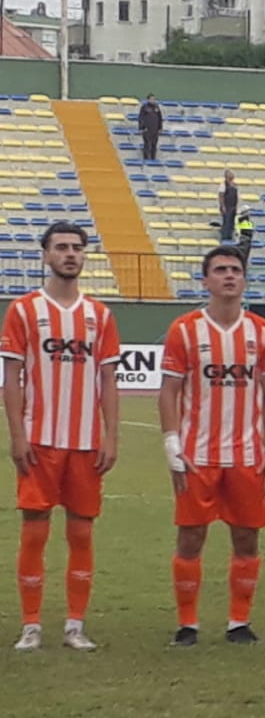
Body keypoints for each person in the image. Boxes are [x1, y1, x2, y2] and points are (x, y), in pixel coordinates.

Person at [2, 222, 120, 652]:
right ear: (46, 254)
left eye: (77, 248)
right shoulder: (23, 310)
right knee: (34, 530)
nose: (71, 254)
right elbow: (12, 378)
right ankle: (31, 624)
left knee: (81, 533)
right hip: (40, 440)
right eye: (62, 247)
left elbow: (107, 380)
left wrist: (111, 436)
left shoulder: (100, 315)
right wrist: (18, 435)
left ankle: (75, 625)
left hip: (85, 442)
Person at [160, 246, 265, 645]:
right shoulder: (184, 330)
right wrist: (171, 443)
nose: (229, 276)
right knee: (190, 537)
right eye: (220, 270)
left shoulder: (264, 333)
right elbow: (169, 391)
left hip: (246, 455)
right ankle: (187, 624)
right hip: (197, 456)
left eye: (235, 270)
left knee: (247, 537)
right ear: (205, 280)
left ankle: (238, 622)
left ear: (244, 279)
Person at [138, 95, 164, 162]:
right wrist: (141, 128)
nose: (153, 100)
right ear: (148, 100)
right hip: (147, 130)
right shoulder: (144, 107)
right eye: (151, 99)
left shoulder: (157, 107)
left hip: (155, 130)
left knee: (154, 145)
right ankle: (146, 160)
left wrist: (160, 128)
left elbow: (160, 118)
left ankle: (153, 159)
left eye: (154, 99)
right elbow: (141, 118)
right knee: (147, 145)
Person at [217, 171, 239, 243]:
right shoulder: (223, 185)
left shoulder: (234, 185)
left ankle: (230, 237)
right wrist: (223, 206)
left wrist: (236, 206)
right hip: (226, 206)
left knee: (232, 223)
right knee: (226, 222)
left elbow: (236, 196)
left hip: (233, 206)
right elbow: (221, 196)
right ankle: (224, 238)